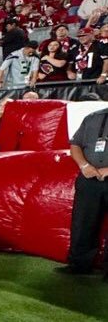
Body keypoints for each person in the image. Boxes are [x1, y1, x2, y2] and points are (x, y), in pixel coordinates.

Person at [56, 107, 108, 281]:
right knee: (83, 221)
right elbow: (75, 145)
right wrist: (84, 166)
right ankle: (79, 264)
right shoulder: (92, 118)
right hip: (89, 178)